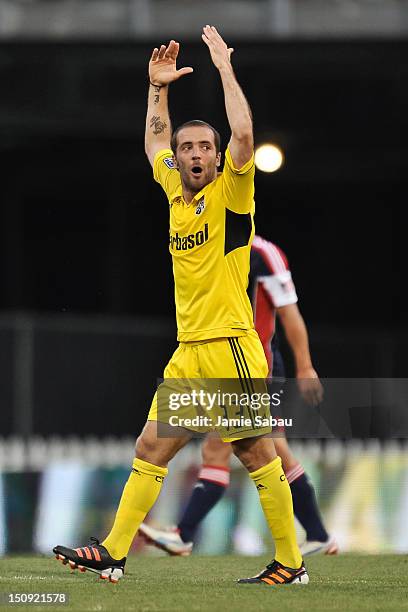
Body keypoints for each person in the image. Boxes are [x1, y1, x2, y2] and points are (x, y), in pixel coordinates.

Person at [53, 26, 309, 586]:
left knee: (254, 452)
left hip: (230, 350)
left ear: (218, 160)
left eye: (204, 149)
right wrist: (156, 88)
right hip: (190, 352)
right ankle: (115, 551)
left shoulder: (231, 194)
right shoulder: (175, 191)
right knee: (151, 445)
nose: (194, 155)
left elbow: (243, 131)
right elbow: (153, 143)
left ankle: (290, 562)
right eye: (188, 147)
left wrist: (223, 68)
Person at [140, 236, 338, 557]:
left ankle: (184, 535)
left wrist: (305, 368)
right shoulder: (209, 243)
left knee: (223, 446)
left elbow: (289, 313)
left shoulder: (263, 253)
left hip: (257, 367)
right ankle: (317, 534)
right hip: (228, 365)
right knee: (262, 449)